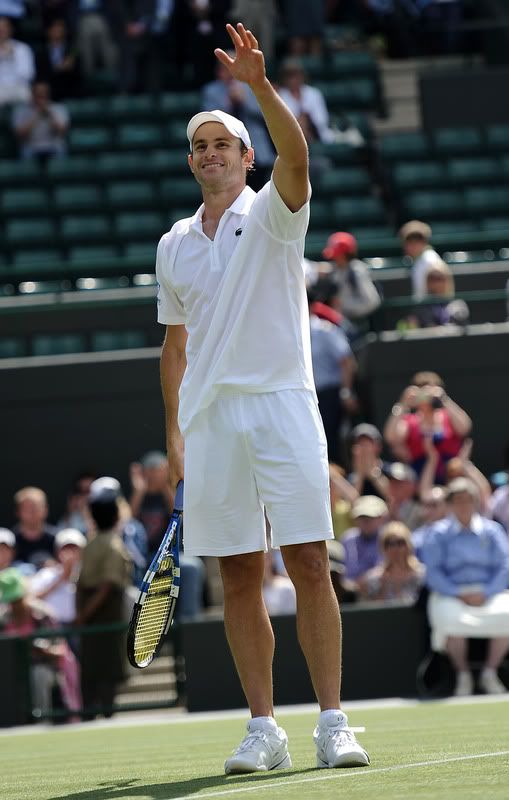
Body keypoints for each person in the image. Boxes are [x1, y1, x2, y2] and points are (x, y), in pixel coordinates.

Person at [156, 22, 369, 774]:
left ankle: (333, 723)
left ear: (247, 159)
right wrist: (177, 438)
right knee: (240, 575)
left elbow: (299, 156)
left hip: (282, 404)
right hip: (211, 423)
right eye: (201, 146)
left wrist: (258, 86)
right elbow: (174, 346)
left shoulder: (278, 215)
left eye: (225, 144)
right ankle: (263, 728)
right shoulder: (173, 243)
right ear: (192, 162)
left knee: (309, 561)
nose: (211, 153)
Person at [421, 477, 509, 696]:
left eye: (468, 500)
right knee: (449, 618)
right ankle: (463, 675)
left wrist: (486, 592)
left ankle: (490, 673)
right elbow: (433, 572)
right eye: (458, 500)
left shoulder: (493, 531)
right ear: (450, 505)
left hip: (488, 591)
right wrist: (458, 593)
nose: (463, 505)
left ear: (476, 502)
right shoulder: (438, 533)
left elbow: (505, 566)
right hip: (451, 593)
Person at [76, 477, 132, 720]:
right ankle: (102, 714)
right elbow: (107, 586)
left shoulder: (90, 543)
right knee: (105, 668)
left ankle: (94, 713)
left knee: (95, 667)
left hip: (93, 613)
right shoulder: (113, 545)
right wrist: (86, 614)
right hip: (105, 613)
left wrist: (83, 613)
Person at [0, 568, 81, 720]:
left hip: (46, 667)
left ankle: (40, 722)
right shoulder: (3, 619)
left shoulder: (43, 614)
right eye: (11, 601)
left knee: (38, 675)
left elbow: (61, 650)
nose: (15, 604)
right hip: (12, 672)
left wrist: (41, 650)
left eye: (17, 599)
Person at [201, 54, 275, 191]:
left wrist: (244, 102)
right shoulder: (211, 91)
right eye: (225, 68)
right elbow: (210, 119)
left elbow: (265, 114)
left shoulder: (251, 86)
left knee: (259, 193)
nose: (229, 72)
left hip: (257, 149)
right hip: (227, 150)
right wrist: (229, 103)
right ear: (218, 71)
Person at [383, 376, 471, 483]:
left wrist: (445, 399)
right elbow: (391, 437)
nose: (426, 398)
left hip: (453, 476)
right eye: (422, 393)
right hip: (421, 481)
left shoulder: (448, 417)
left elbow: (465, 428)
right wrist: (402, 403)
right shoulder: (410, 421)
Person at [309, 299, 356, 464]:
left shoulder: (325, 330)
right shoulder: (287, 332)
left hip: (329, 394)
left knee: (329, 440)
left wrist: (346, 392)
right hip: (307, 396)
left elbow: (346, 361)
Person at [30, 528, 86, 625]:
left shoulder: (87, 574)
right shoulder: (46, 574)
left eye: (74, 548)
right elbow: (32, 599)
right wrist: (62, 577)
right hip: (52, 630)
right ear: (57, 552)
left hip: (81, 627)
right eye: (66, 548)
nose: (70, 553)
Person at [359, 521, 425, 603]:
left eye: (400, 542)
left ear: (408, 545)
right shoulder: (373, 578)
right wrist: (383, 587)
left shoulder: (422, 576)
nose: (395, 548)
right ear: (383, 548)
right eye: (389, 543)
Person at [321, 232, 381, 322]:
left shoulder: (357, 271)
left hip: (357, 323)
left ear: (345, 255)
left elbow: (372, 302)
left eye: (338, 254)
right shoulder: (335, 269)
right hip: (342, 321)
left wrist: (344, 307)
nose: (334, 258)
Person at [12, 80, 70, 162]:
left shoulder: (59, 108)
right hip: (31, 147)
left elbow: (62, 132)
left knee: (61, 149)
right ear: (32, 93)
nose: (41, 96)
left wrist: (50, 115)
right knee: (25, 152)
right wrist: (37, 115)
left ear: (48, 94)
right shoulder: (20, 111)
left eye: (43, 93)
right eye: (38, 94)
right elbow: (19, 135)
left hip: (53, 146)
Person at [342, 495, 389, 587]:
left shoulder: (390, 539)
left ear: (382, 518)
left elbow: (387, 571)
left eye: (370, 517)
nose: (365, 521)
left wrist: (365, 580)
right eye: (361, 517)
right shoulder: (348, 539)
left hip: (381, 594)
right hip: (349, 595)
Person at [407, 260, 469, 329]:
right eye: (432, 278)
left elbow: (460, 328)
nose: (436, 283)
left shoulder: (458, 305)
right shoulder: (421, 307)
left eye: (440, 278)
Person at [398, 220, 445, 300]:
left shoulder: (430, 260)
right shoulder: (419, 261)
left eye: (418, 240)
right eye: (410, 241)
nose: (414, 245)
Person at [12, 486, 57, 569]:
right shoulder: (9, 541)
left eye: (36, 507)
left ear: (46, 510)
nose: (32, 512)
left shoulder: (58, 539)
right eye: (27, 508)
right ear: (18, 512)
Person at [348, 423, 390, 500]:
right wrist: (360, 474)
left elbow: (391, 496)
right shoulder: (351, 477)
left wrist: (372, 473)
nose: (364, 449)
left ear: (378, 447)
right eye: (360, 444)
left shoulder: (388, 471)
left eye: (367, 444)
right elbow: (351, 500)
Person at [0, 15, 35, 106]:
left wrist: (13, 57)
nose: (1, 30)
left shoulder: (23, 48)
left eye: (4, 27)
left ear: (10, 29)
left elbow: (28, 74)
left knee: (27, 95)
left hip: (19, 88)